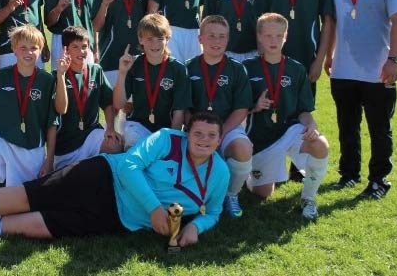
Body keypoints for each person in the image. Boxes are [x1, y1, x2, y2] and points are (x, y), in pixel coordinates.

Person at [0, 112, 229, 247]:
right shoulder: (168, 139)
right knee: (29, 195)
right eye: (197, 133)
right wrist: (154, 210)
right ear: (187, 134)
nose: (203, 140)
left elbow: (213, 212)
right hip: (102, 175)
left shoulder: (220, 173)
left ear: (219, 140)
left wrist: (193, 227)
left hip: (118, 218)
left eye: (211, 136)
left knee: (35, 225)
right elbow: (130, 166)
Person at [327, 0, 397, 199]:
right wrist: (328, 56)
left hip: (377, 71)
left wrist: (393, 60)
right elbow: (332, 22)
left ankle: (379, 181)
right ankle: (349, 174)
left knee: (379, 129)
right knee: (347, 128)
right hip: (343, 70)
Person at [255, 0, 334, 182]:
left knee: (301, 109)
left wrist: (320, 60)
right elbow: (260, 21)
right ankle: (269, 157)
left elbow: (328, 21)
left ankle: (298, 165)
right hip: (273, 57)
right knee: (271, 104)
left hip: (305, 56)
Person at [243, 13, 329, 220]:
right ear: (260, 37)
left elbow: (304, 111)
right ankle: (249, 175)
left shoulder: (296, 69)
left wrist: (311, 125)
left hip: (288, 131)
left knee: (319, 144)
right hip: (261, 140)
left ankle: (309, 199)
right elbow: (236, 110)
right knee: (263, 193)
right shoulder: (246, 68)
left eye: (279, 36)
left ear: (286, 37)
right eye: (269, 35)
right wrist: (254, 106)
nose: (274, 41)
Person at [0, 24, 58, 194]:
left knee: (25, 200)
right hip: (1, 141)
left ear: (41, 50)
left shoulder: (47, 80)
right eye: (23, 47)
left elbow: (52, 124)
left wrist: (49, 158)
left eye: (34, 48)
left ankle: (2, 199)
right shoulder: (1, 76)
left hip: (31, 148)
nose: (28, 52)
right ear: (14, 49)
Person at [185, 16, 253, 218]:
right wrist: (195, 131)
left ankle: (231, 194)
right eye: (211, 36)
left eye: (221, 37)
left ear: (228, 40)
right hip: (194, 130)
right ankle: (192, 195)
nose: (216, 41)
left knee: (243, 149)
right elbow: (183, 107)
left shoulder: (237, 69)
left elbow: (241, 109)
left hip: (227, 128)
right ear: (200, 38)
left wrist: (220, 132)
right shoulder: (187, 68)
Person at [113, 13, 189, 149]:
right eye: (149, 39)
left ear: (168, 39)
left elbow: (179, 112)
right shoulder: (134, 64)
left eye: (160, 38)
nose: (155, 44)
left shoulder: (178, 69)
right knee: (132, 143)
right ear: (140, 39)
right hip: (138, 125)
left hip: (166, 128)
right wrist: (122, 73)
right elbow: (119, 104)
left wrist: (173, 140)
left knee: (162, 155)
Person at [52, 26, 122, 170]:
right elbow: (60, 109)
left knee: (115, 145)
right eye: (75, 47)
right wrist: (61, 76)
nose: (81, 52)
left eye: (84, 46)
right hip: (66, 144)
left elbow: (108, 103)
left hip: (90, 134)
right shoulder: (56, 76)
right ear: (66, 49)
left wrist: (110, 128)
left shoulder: (96, 71)